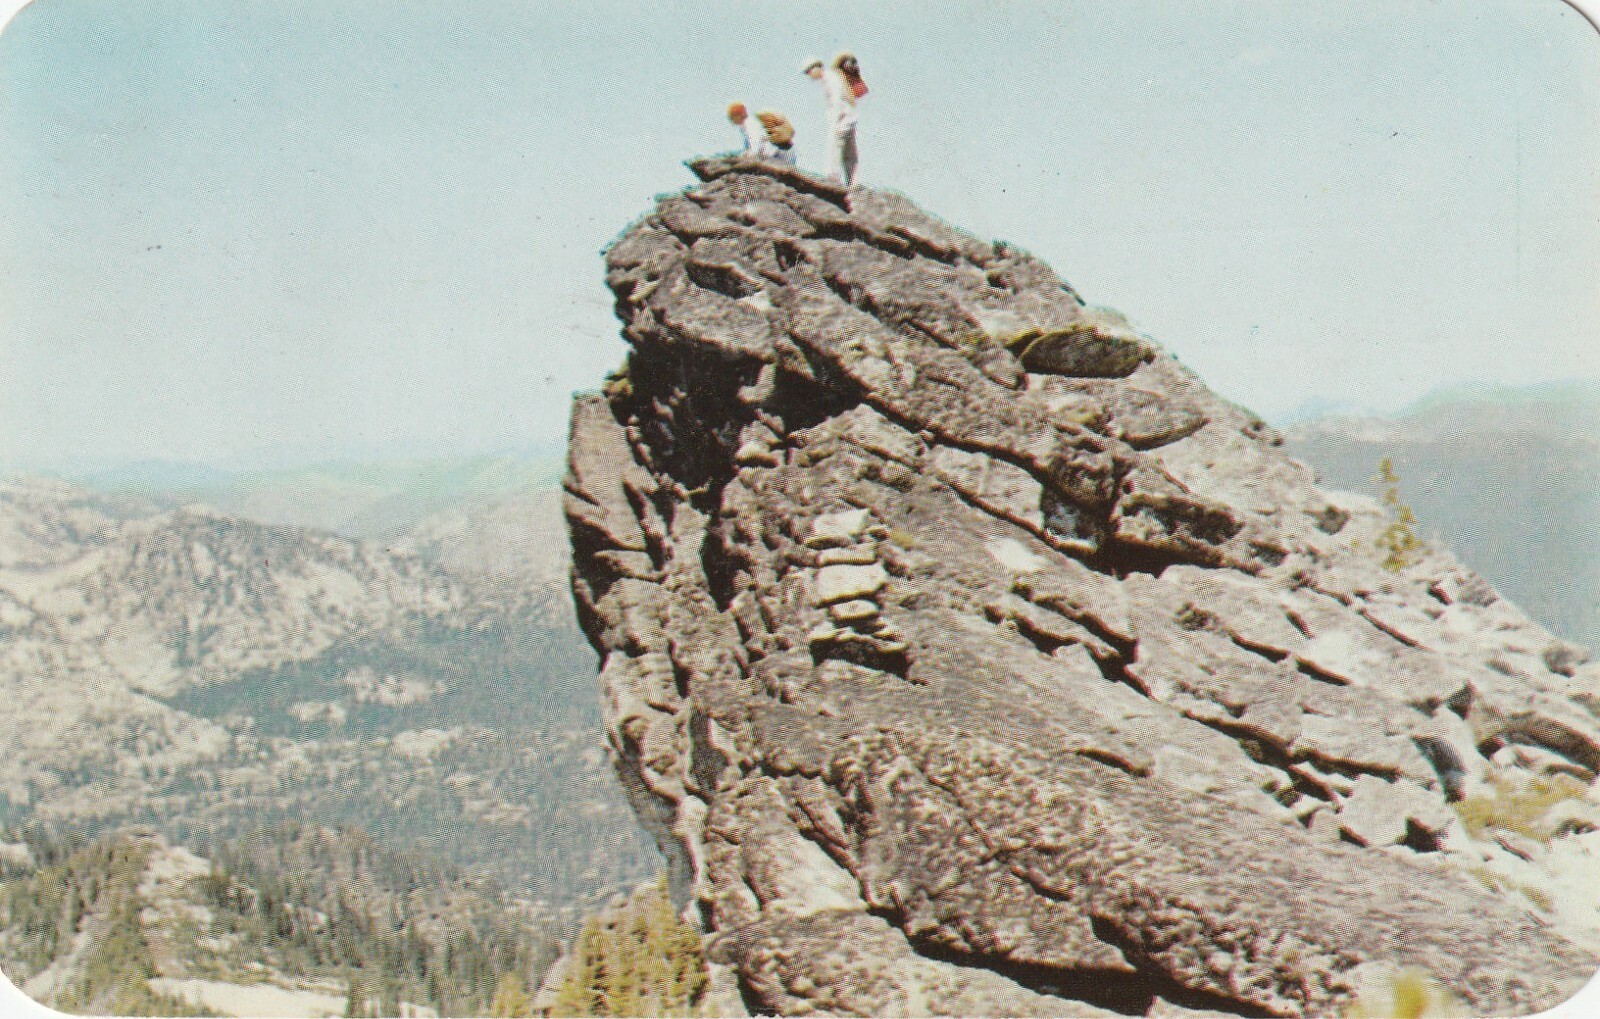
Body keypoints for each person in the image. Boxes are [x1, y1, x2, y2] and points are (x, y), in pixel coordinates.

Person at [804, 52, 867, 185]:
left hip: (843, 117)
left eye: (809, 71)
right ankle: (854, 181)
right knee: (849, 151)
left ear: (815, 67)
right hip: (850, 116)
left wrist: (836, 121)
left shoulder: (829, 78)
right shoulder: (833, 76)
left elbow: (837, 101)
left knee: (835, 145)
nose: (809, 75)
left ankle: (833, 177)